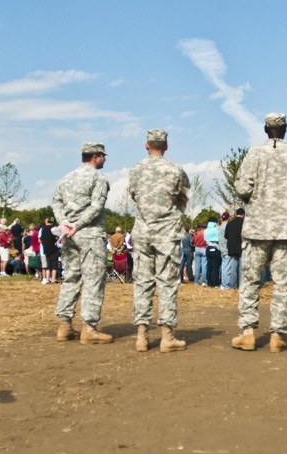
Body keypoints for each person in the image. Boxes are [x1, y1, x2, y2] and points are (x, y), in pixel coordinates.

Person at [231, 113, 287, 353]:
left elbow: (242, 187)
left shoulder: (254, 154)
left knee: (251, 281)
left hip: (257, 229)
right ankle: (277, 334)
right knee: (283, 283)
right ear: (285, 129)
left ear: (266, 129)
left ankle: (248, 332)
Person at [127, 129, 190, 353]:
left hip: (143, 232)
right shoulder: (175, 170)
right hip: (167, 233)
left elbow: (134, 195)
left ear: (146, 145)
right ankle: (167, 336)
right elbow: (185, 197)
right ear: (166, 146)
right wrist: (172, 210)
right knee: (167, 283)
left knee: (142, 283)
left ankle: (142, 336)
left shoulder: (136, 170)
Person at [52, 142, 114, 344]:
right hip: (89, 233)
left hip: (68, 235)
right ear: (95, 156)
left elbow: (57, 203)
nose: (105, 159)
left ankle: (65, 326)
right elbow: (96, 207)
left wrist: (65, 223)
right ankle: (89, 328)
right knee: (94, 280)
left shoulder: (66, 178)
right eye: (103, 156)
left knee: (71, 277)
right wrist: (77, 225)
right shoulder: (98, 178)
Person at [225, 208, 244, 290]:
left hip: (232, 247)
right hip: (242, 247)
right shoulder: (244, 223)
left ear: (236, 214)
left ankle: (233, 285)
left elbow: (226, 236)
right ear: (243, 214)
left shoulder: (230, 224)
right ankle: (241, 285)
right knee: (241, 267)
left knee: (233, 267)